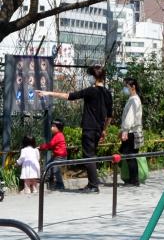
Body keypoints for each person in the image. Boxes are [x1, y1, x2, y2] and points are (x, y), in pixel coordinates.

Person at [36, 65, 112, 193]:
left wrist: (48, 93)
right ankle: (92, 184)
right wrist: (104, 130)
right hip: (98, 129)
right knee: (91, 155)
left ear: (93, 77)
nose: (88, 78)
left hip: (89, 128)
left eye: (89, 76)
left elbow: (69, 96)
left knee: (89, 156)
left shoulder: (90, 91)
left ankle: (93, 186)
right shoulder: (107, 93)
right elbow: (109, 116)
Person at [119, 77, 143, 186]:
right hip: (132, 131)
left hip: (132, 132)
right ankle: (132, 179)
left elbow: (130, 117)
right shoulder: (133, 99)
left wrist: (125, 131)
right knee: (130, 156)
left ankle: (134, 180)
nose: (125, 88)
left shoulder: (134, 100)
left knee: (130, 156)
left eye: (126, 86)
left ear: (133, 87)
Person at [39, 119, 67, 191]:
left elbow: (50, 145)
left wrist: (41, 147)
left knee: (56, 170)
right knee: (49, 165)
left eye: (54, 126)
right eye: (52, 126)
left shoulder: (58, 135)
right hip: (57, 156)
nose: (51, 128)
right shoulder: (57, 135)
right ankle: (48, 178)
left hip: (60, 157)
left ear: (59, 128)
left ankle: (60, 184)